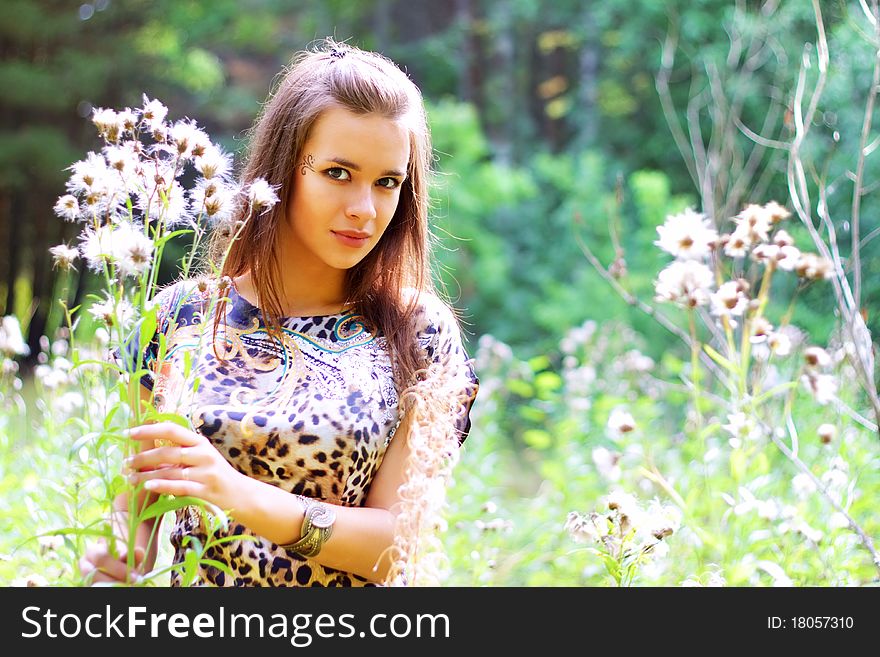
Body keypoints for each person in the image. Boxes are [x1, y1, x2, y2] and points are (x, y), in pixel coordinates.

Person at [78, 39, 478, 587]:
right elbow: (133, 528)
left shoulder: (421, 335)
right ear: (286, 168)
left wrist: (239, 494)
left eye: (387, 183)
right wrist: (113, 559)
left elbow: (404, 543)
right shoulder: (177, 317)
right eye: (339, 172)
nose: (364, 209)